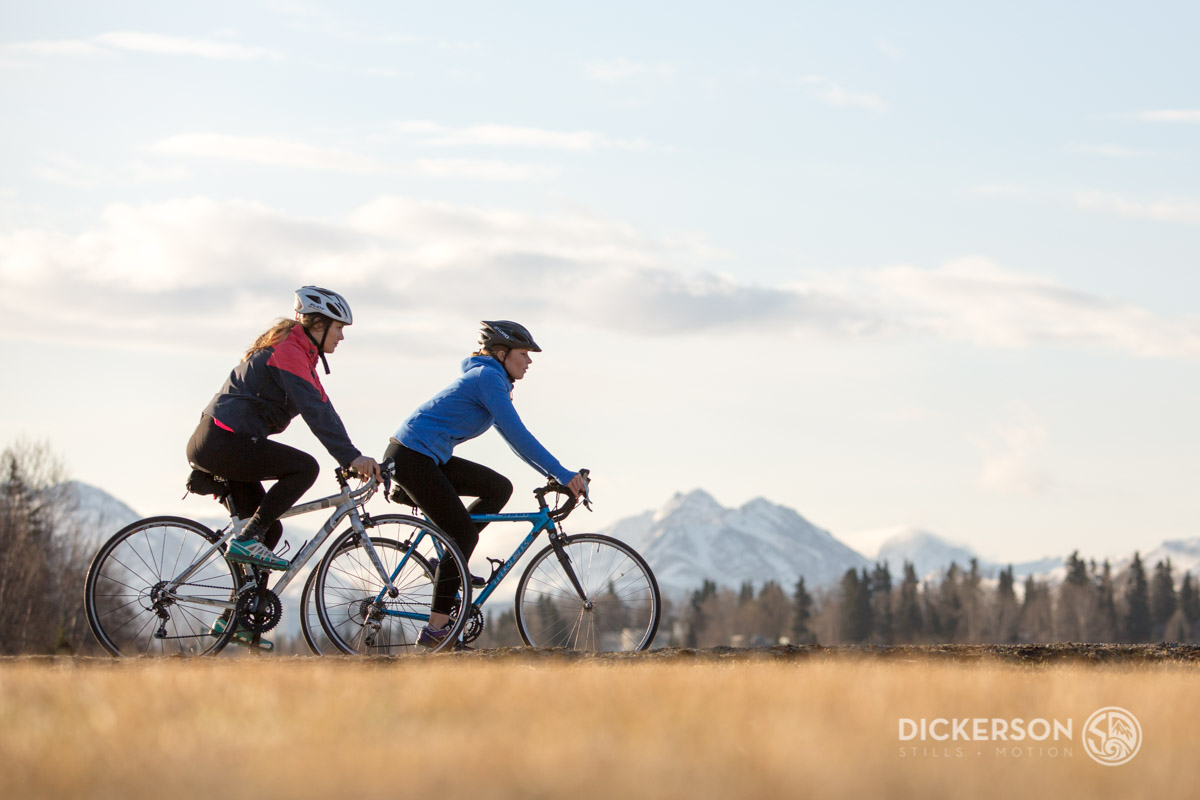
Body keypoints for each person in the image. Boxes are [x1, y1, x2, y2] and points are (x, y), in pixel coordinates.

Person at [385, 320, 586, 649]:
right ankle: (438, 630)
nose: (529, 361)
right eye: (524, 354)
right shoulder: (487, 378)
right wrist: (562, 474)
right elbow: (519, 435)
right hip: (412, 458)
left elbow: (513, 440)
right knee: (462, 534)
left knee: (499, 488)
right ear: (502, 353)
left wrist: (554, 474)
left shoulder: (493, 379)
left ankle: (449, 562)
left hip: (427, 456)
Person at [187, 286, 381, 574]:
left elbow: (325, 408)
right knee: (304, 468)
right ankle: (247, 540)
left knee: (269, 531)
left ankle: (237, 616)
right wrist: (351, 458)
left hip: (222, 441)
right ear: (319, 324)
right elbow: (315, 410)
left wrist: (351, 456)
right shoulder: (288, 350)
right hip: (222, 441)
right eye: (339, 328)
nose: (342, 336)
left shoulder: (300, 354)